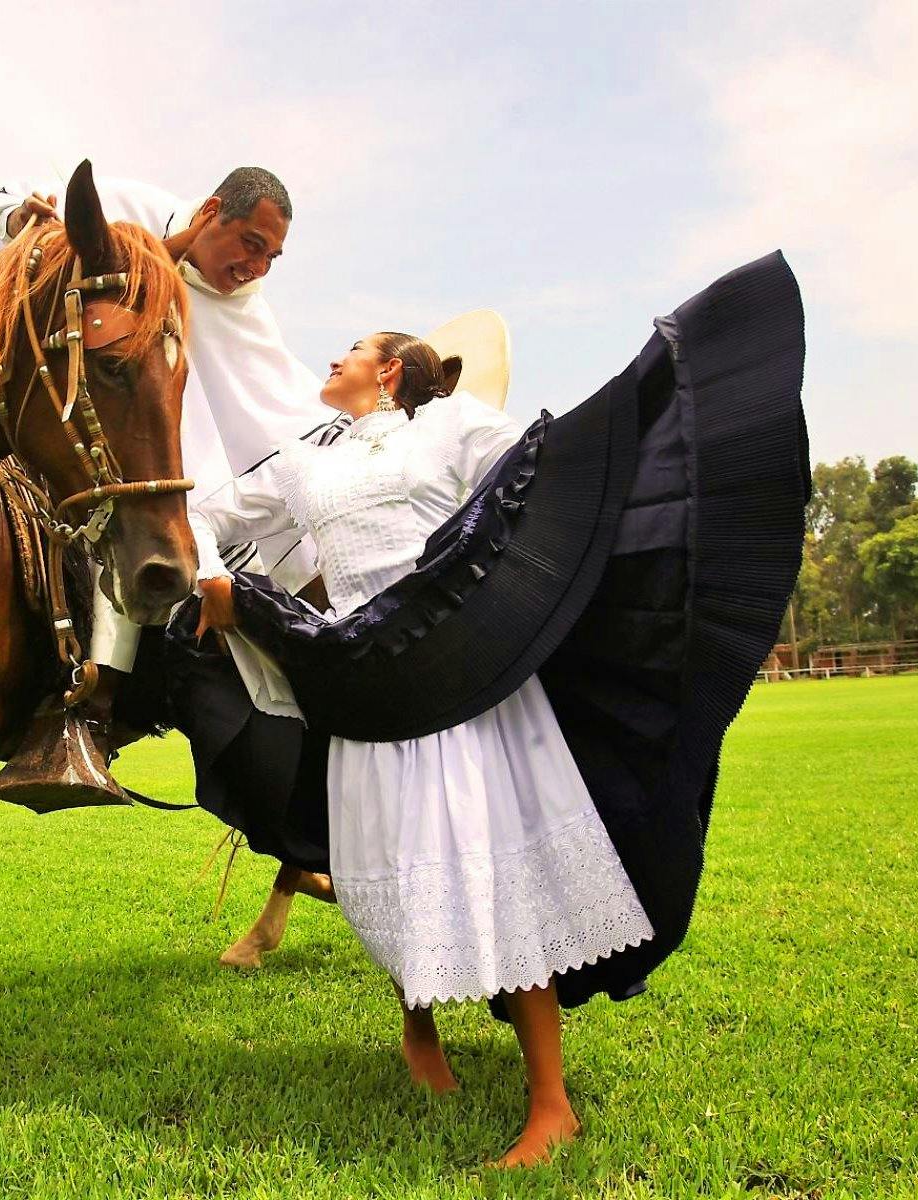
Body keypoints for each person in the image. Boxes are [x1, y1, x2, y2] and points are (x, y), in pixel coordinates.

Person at [188, 331, 657, 1167]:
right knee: (393, 868)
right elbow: (207, 511)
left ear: (391, 371)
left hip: (461, 679)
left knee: (497, 868)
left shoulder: (452, 429)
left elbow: (542, 475)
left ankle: (551, 1102)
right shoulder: (302, 460)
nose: (331, 360)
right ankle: (418, 1023)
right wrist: (207, 581)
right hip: (363, 686)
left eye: (351, 350)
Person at [0, 167, 340, 806]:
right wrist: (15, 223)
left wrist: (354, 433)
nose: (256, 267)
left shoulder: (245, 310)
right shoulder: (126, 208)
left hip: (184, 464)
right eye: (250, 244)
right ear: (209, 210)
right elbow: (9, 207)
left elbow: (271, 396)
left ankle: (98, 711)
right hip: (94, 423)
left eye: (272, 257)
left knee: (147, 515)